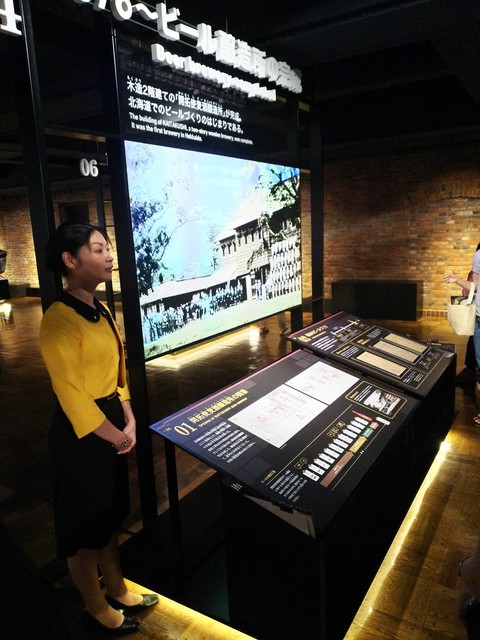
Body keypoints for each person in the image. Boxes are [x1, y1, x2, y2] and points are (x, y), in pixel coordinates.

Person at [39, 222, 158, 636]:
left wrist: (129, 417)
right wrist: (117, 433)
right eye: (97, 249)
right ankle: (95, 607)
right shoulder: (58, 319)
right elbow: (71, 395)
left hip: (111, 422)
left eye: (107, 248)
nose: (109, 256)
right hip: (81, 437)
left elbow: (118, 372)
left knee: (108, 518)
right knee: (85, 527)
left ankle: (119, 589)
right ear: (69, 260)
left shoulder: (102, 309)